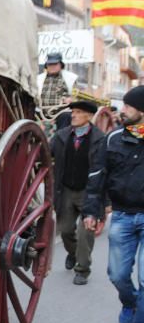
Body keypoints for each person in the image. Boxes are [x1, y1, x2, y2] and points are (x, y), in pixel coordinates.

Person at [84, 85, 144, 323]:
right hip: (121, 215)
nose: (123, 110)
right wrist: (92, 212)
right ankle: (129, 302)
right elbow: (97, 178)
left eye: (129, 107)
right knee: (117, 275)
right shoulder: (113, 140)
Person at [50, 100, 106, 285]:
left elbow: (106, 171)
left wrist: (105, 202)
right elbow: (45, 152)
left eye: (78, 112)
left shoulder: (100, 139)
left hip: (88, 192)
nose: (73, 115)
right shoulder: (61, 136)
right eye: (72, 111)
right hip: (66, 189)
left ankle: (82, 269)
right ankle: (73, 254)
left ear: (89, 116)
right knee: (66, 230)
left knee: (85, 233)